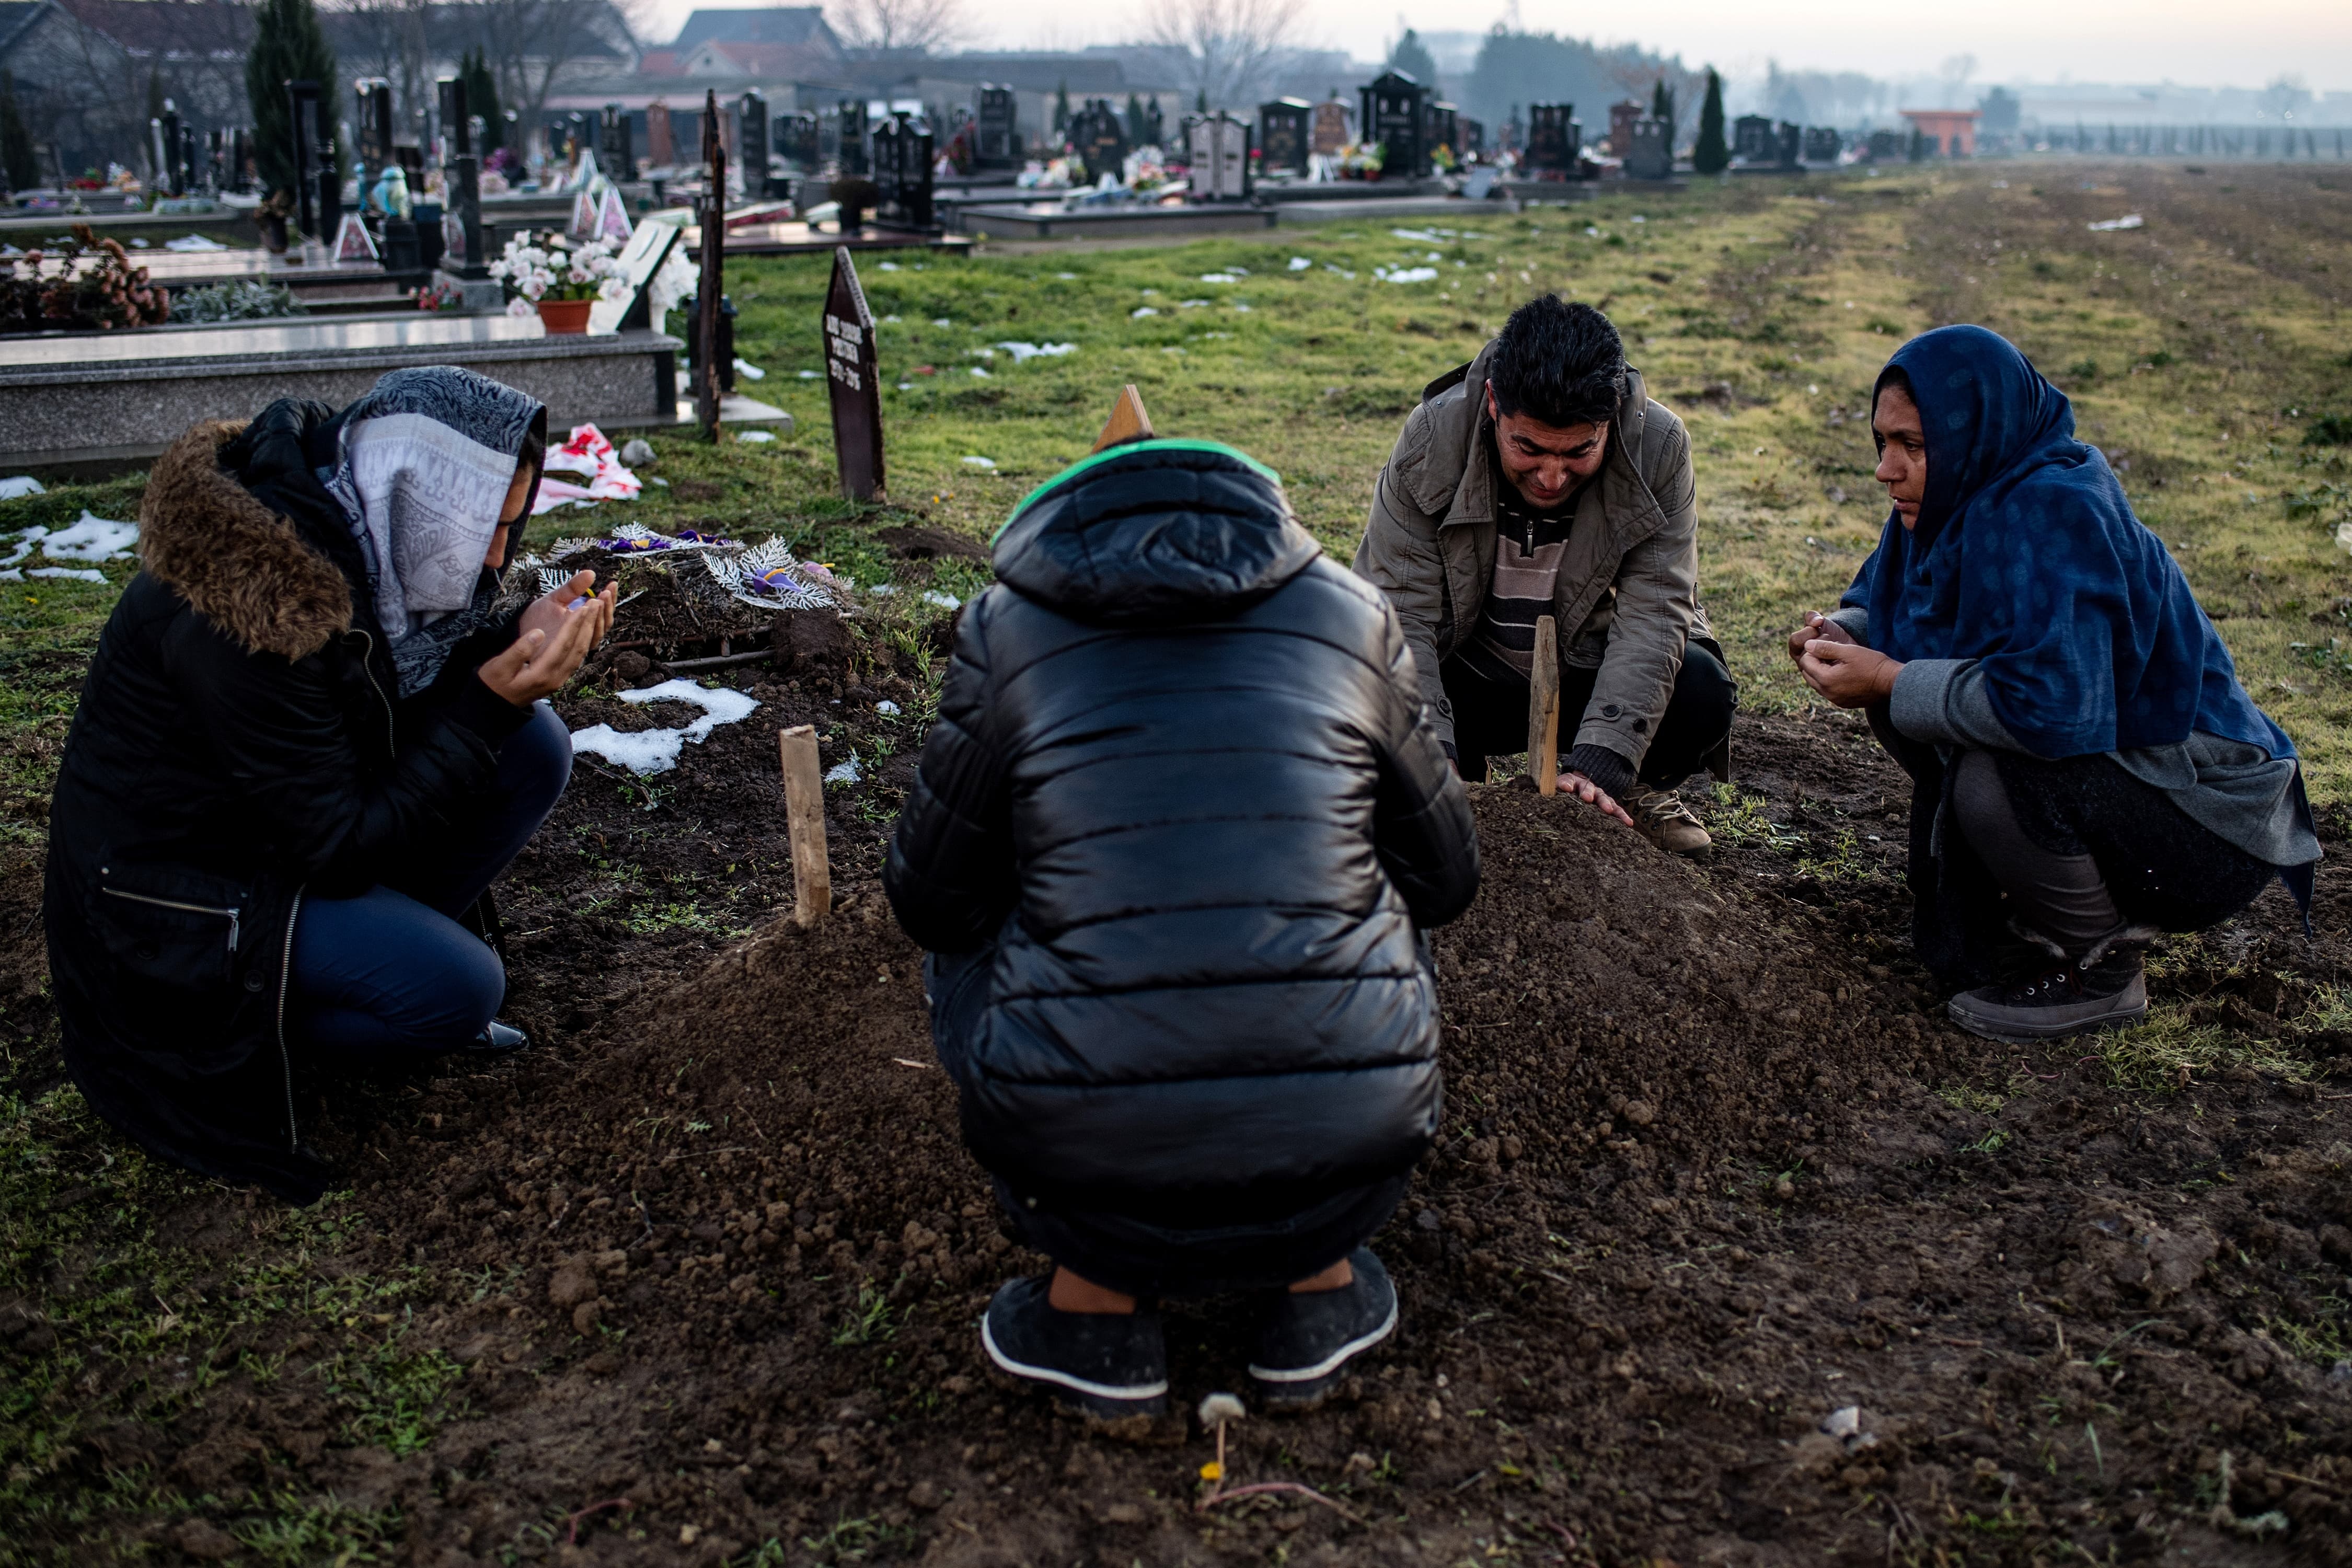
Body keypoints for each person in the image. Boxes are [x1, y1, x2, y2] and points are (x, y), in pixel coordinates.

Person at [885, 437, 1479, 1419]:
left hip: (1082, 1168)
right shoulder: (1355, 614)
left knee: (970, 935)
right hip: (1345, 1161)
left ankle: (1093, 1315)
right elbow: (1446, 881)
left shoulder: (1007, 628)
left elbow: (931, 903)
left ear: (1061, 519)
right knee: (1376, 902)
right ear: (1261, 509)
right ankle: (1319, 1295)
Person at [44, 367, 617, 1204]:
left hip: (274, 836)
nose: (496, 554)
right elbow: (339, 847)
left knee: (533, 745)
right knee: (458, 991)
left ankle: (382, 960)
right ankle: (267, 1035)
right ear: (411, 494)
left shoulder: (351, 527)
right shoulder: (250, 606)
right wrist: (488, 700)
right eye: (481, 527)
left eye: (509, 525)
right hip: (177, 905)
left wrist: (509, 639)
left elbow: (385, 691)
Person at [1791, 325, 2318, 1042]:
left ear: (1977, 431)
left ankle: (2102, 971)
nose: (1886, 470)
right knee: (1915, 702)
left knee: (1992, 771)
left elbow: (2055, 708)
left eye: (1913, 445)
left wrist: (1886, 674)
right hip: (2128, 787)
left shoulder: (2054, 510)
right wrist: (1845, 635)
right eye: (1882, 442)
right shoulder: (1953, 499)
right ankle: (2029, 918)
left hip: (2209, 826)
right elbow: (1893, 606)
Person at [1354, 294, 1736, 855]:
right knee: (1352, 671)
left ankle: (1634, 790)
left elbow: (1656, 610)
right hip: (1466, 671)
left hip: (1585, 672)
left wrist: (1604, 761)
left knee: (1700, 688)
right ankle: (1457, 773)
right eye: (1528, 448)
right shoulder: (1432, 437)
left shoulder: (1660, 446)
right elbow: (1399, 608)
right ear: (1492, 404)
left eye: (1579, 452)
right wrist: (1429, 752)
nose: (1552, 477)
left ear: (1609, 420)